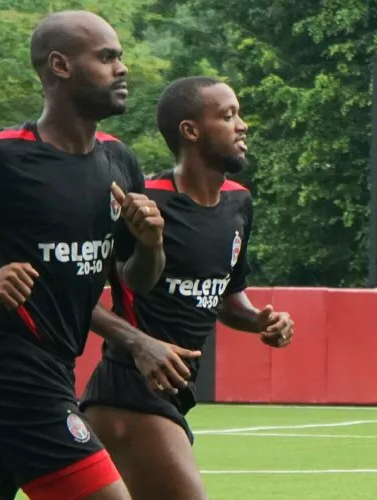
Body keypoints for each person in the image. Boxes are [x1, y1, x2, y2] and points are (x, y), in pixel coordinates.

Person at [0, 10, 196, 500]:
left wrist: (151, 245)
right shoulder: (1, 158)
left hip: (47, 370)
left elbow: (136, 280)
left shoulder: (118, 161)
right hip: (15, 374)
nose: (122, 68)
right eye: (106, 57)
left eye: (120, 57)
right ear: (61, 66)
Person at [79, 76, 296, 500]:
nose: (243, 125)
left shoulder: (239, 203)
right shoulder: (143, 201)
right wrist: (141, 343)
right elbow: (78, 295)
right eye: (228, 115)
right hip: (128, 393)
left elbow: (227, 298)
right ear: (190, 131)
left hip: (172, 395)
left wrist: (261, 321)